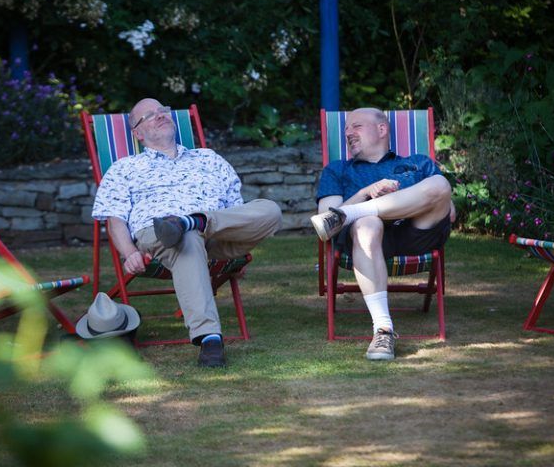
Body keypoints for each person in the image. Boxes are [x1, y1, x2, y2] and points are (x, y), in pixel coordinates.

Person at [91, 98, 283, 368]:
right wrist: (129, 252)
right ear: (137, 134)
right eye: (149, 115)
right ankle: (209, 337)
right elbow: (115, 219)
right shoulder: (124, 168)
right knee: (187, 238)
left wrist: (234, 243)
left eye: (162, 111)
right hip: (160, 235)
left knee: (271, 210)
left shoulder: (209, 158)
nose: (160, 115)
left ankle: (193, 221)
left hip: (219, 236)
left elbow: (237, 211)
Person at [311, 107, 453, 361]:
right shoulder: (337, 169)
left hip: (416, 232)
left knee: (441, 184)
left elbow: (449, 211)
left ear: (382, 129)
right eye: (346, 129)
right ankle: (383, 329)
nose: (348, 133)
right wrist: (366, 192)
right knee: (367, 223)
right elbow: (327, 220)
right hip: (366, 239)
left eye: (356, 126)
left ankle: (358, 212)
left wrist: (401, 202)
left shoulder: (419, 162)